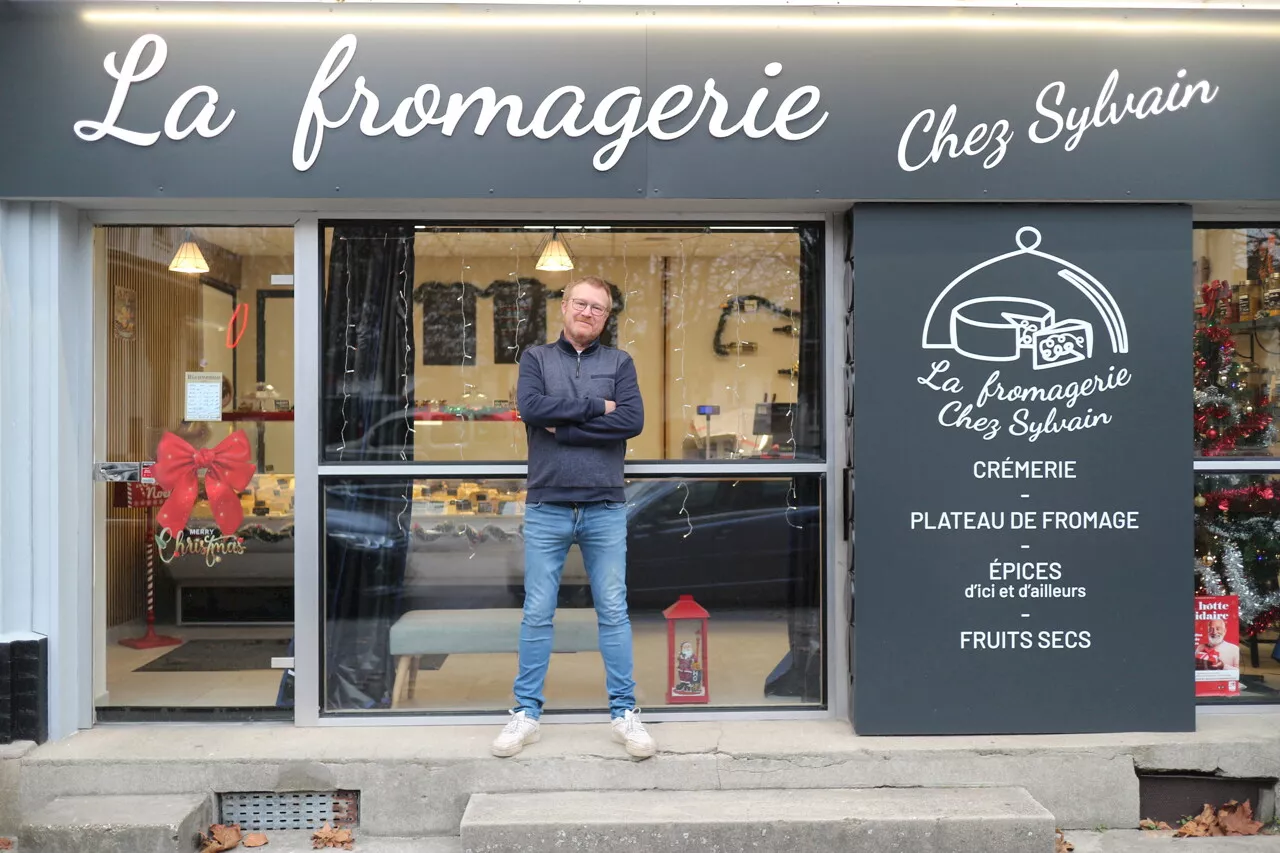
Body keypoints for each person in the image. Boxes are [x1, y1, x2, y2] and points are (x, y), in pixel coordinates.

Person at [491, 275, 655, 760]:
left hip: (605, 505)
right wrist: (593, 409)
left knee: (613, 610)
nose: (588, 313)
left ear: (606, 317)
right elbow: (531, 407)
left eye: (598, 308)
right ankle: (526, 714)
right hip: (547, 504)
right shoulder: (535, 359)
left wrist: (562, 430)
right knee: (537, 612)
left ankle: (625, 714)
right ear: (564, 308)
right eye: (580, 304)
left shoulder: (619, 363)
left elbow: (631, 421)